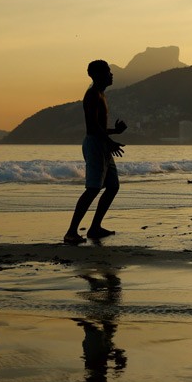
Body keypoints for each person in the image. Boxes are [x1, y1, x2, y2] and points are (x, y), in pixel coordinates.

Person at [64, 60, 127, 244]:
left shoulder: (101, 95)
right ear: (97, 75)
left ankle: (95, 227)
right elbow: (92, 127)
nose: (111, 74)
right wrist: (110, 141)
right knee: (92, 189)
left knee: (113, 186)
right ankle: (71, 232)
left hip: (102, 144)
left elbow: (98, 126)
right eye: (108, 71)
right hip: (95, 145)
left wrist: (114, 132)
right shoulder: (92, 95)